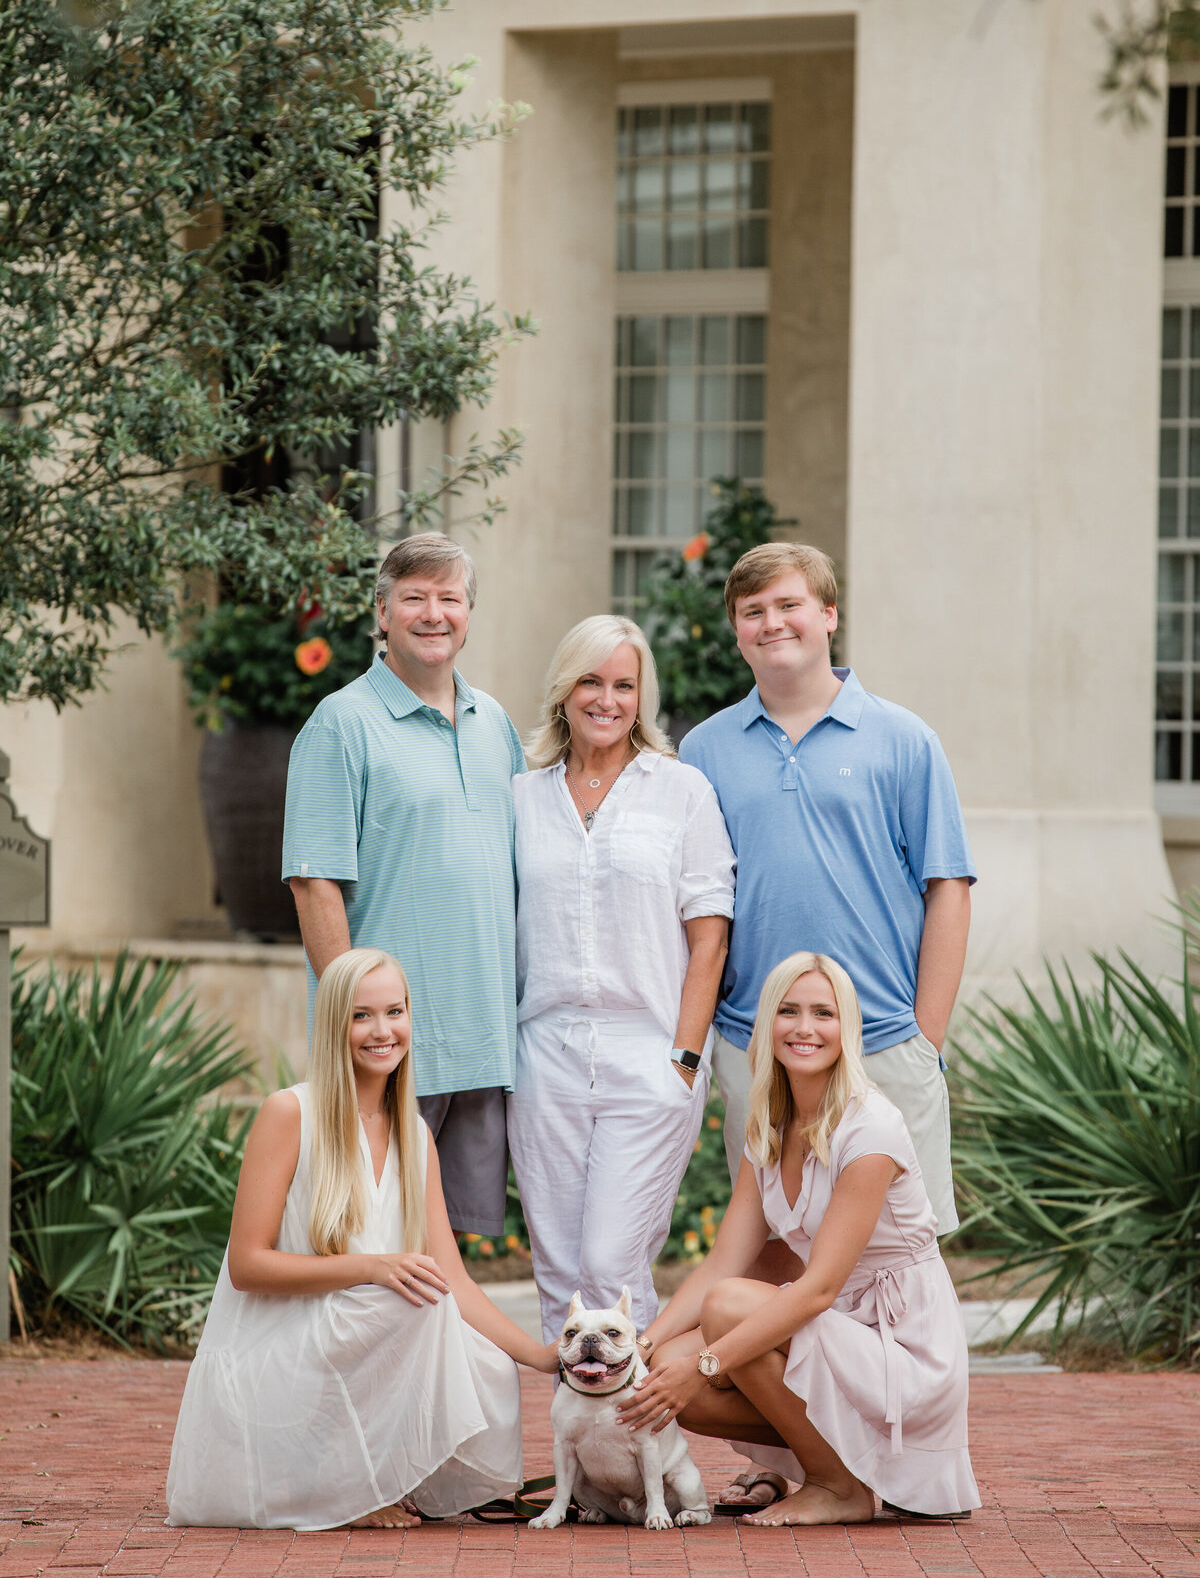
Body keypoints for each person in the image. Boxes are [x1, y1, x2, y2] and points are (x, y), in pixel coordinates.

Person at [166, 947, 558, 1531]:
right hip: (279, 1346)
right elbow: (248, 1266)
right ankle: (345, 1485)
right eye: (361, 1016)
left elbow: (452, 1279)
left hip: (360, 1328)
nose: (382, 1031)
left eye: (394, 1011)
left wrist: (536, 1356)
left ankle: (391, 1475)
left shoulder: (414, 1135)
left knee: (483, 1358)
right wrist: (370, 1267)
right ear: (333, 1025)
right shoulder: (289, 1113)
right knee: (406, 1305)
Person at [618, 951, 980, 1528]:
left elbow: (817, 1289)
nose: (805, 1028)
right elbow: (720, 1263)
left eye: (823, 1013)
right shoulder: (771, 1126)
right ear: (768, 1024)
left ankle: (839, 1487)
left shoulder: (871, 1130)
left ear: (848, 1028)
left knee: (727, 1313)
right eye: (788, 1011)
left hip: (903, 1346)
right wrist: (641, 1347)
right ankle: (855, 1460)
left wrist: (709, 1362)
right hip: (841, 1330)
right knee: (670, 1367)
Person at [679, 542, 975, 1244]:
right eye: (754, 612)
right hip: (757, 1048)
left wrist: (925, 1036)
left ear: (829, 615)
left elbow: (949, 888)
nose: (773, 623)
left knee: (901, 1250)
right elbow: (693, 908)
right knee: (776, 1252)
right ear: (737, 630)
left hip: (883, 1039)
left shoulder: (905, 740)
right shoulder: (703, 752)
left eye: (790, 605)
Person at [283, 531, 524, 1238]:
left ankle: (446, 1358)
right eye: (413, 597)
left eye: (450, 598)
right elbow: (314, 883)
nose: (433, 613)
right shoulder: (340, 724)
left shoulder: (495, 724)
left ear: (469, 614)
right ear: (381, 612)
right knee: (372, 1241)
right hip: (387, 1046)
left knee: (454, 1246)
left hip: (482, 1039)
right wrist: (355, 1022)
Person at [506, 614, 735, 1338]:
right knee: (558, 1276)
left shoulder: (682, 791)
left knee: (610, 1265)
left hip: (651, 1059)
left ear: (643, 697)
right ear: (564, 691)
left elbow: (711, 938)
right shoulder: (519, 797)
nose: (607, 699)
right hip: (546, 1058)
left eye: (624, 685)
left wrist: (684, 1060)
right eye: (592, 681)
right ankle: (581, 1450)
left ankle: (639, 1444)